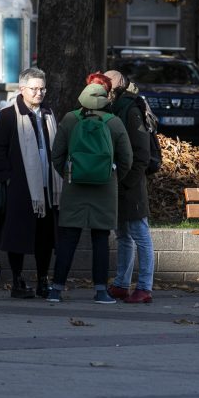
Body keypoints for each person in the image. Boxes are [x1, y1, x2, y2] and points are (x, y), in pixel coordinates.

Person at [47, 77, 133, 304]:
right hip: (105, 190)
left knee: (68, 238)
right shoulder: (114, 123)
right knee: (100, 240)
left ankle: (56, 289)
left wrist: (69, 176)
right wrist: (111, 177)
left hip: (74, 187)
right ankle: (101, 291)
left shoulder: (69, 120)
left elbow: (56, 156)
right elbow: (127, 159)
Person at [0, 67, 62, 298]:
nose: (39, 93)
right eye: (34, 88)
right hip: (21, 188)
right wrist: (8, 177)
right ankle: (18, 281)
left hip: (47, 187)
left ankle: (43, 280)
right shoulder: (9, 115)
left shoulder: (49, 113)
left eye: (42, 88)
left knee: (45, 237)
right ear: (22, 89)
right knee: (18, 236)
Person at [104, 69, 156, 303]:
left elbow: (142, 154)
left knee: (139, 234)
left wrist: (127, 182)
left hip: (131, 185)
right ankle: (121, 284)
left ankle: (145, 287)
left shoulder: (130, 108)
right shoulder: (120, 106)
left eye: (107, 87)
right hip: (122, 183)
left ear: (117, 87)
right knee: (123, 235)